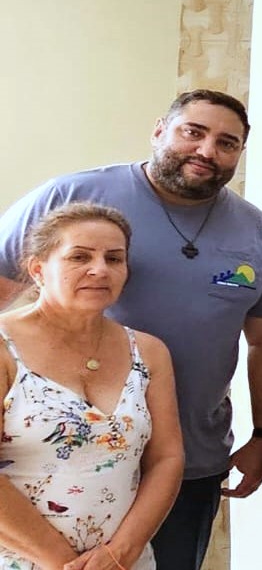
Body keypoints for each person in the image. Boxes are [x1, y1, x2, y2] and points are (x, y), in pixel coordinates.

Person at [0, 90, 262, 570]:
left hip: (186, 464)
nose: (207, 151)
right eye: (193, 132)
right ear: (160, 130)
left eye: (227, 143)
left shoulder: (257, 233)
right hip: (43, 465)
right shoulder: (72, 196)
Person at [0, 204, 183, 570]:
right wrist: (64, 562)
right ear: (38, 269)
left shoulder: (148, 351)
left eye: (114, 259)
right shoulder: (5, 347)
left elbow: (167, 457)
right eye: (79, 256)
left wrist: (120, 554)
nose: (99, 269)